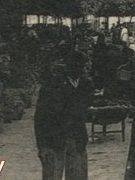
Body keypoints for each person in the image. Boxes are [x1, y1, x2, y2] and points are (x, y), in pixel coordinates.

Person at [35, 51, 92, 180]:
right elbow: (40, 117)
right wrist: (42, 146)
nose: (85, 70)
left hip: (77, 139)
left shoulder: (85, 85)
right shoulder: (52, 85)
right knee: (52, 176)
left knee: (78, 176)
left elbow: (84, 109)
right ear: (71, 67)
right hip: (54, 140)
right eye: (82, 66)